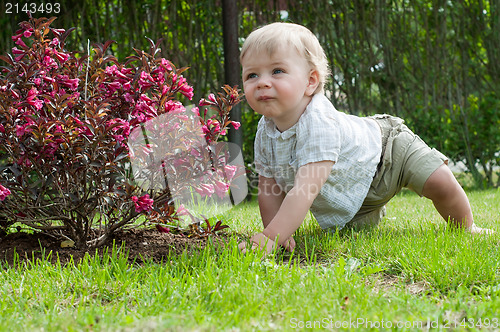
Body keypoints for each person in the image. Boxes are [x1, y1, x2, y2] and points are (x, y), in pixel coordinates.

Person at [237, 22, 493, 254]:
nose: (262, 83)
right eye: (252, 75)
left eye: (277, 71)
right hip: (355, 192)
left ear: (311, 81)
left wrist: (271, 235)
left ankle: (467, 227)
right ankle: (366, 212)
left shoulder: (318, 121)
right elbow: (269, 189)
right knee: (351, 233)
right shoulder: (266, 131)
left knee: (440, 182)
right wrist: (277, 235)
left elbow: (305, 189)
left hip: (389, 152)